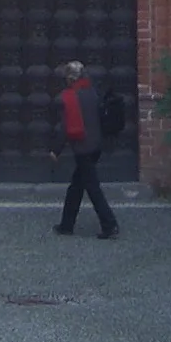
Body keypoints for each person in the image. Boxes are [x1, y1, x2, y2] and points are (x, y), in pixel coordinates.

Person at [51, 60, 118, 239]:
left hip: (83, 147)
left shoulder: (68, 97)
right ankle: (66, 224)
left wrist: (55, 150)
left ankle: (109, 224)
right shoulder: (93, 91)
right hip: (96, 145)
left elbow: (64, 127)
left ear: (70, 78)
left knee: (91, 187)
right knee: (77, 185)